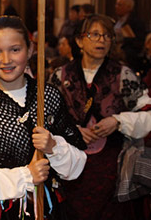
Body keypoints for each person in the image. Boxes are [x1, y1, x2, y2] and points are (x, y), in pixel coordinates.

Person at [0, 15, 86, 219]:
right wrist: (26, 176)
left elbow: (76, 166)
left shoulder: (48, 96)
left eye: (15, 50)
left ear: (31, 50)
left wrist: (53, 147)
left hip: (48, 208)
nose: (6, 60)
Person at [52, 12, 151, 219]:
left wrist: (118, 121)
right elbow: (46, 117)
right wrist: (72, 130)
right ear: (79, 40)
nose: (102, 40)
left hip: (112, 166)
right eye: (95, 35)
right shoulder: (61, 75)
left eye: (107, 36)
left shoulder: (122, 74)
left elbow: (147, 113)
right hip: (70, 164)